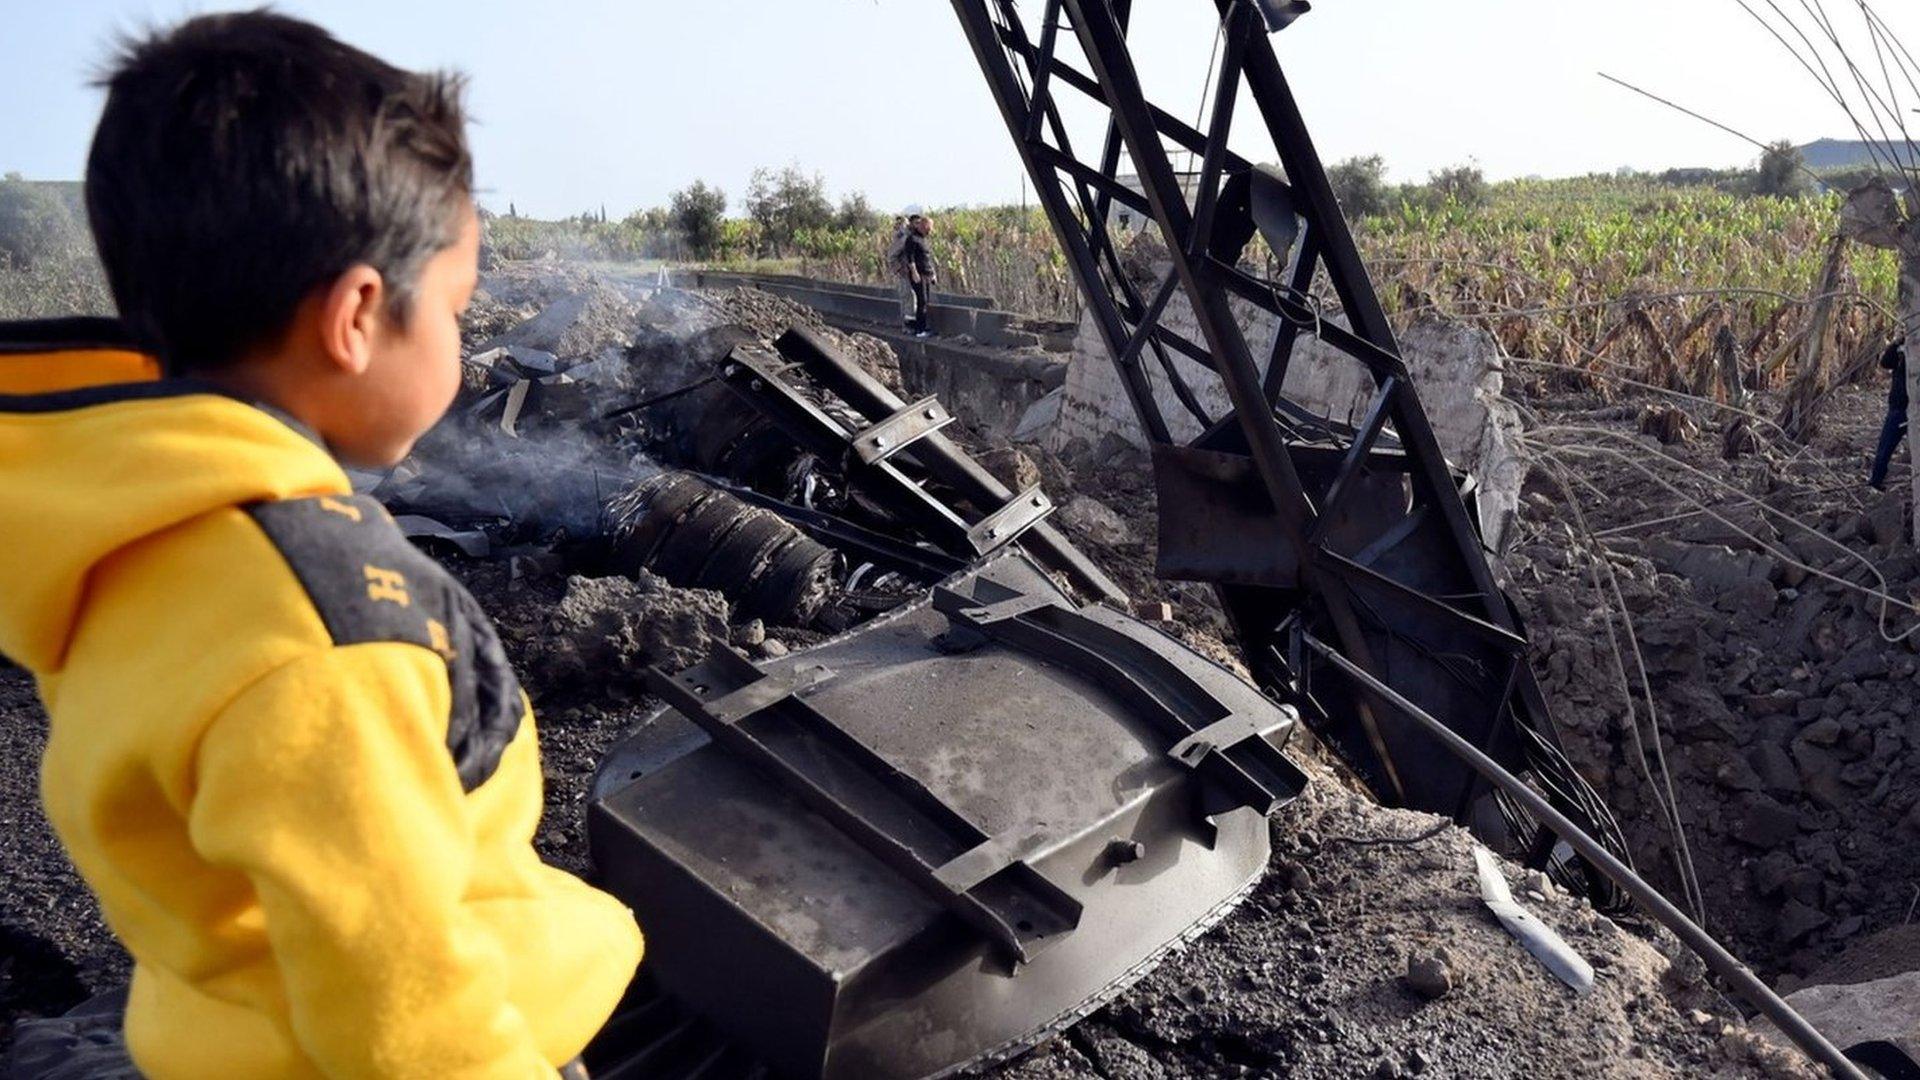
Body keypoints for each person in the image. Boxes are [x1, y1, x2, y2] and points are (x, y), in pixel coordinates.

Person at [0, 12, 641, 1079]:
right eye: (454, 305)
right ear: (355, 316)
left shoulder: (124, 536)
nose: (463, 342)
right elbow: (408, 1014)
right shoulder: (326, 626)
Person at [1871, 336, 1908, 491]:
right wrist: (1896, 343)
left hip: (1913, 409)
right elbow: (1885, 363)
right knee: (1885, 448)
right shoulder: (1904, 351)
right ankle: (1876, 482)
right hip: (1898, 408)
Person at [903, 213, 937, 337]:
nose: (930, 231)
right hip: (919, 275)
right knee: (921, 301)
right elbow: (910, 258)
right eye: (929, 228)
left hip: (927, 274)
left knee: (925, 301)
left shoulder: (924, 239)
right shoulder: (912, 239)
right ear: (923, 226)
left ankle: (920, 326)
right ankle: (919, 330)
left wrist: (933, 273)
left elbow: (927, 258)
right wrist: (914, 272)